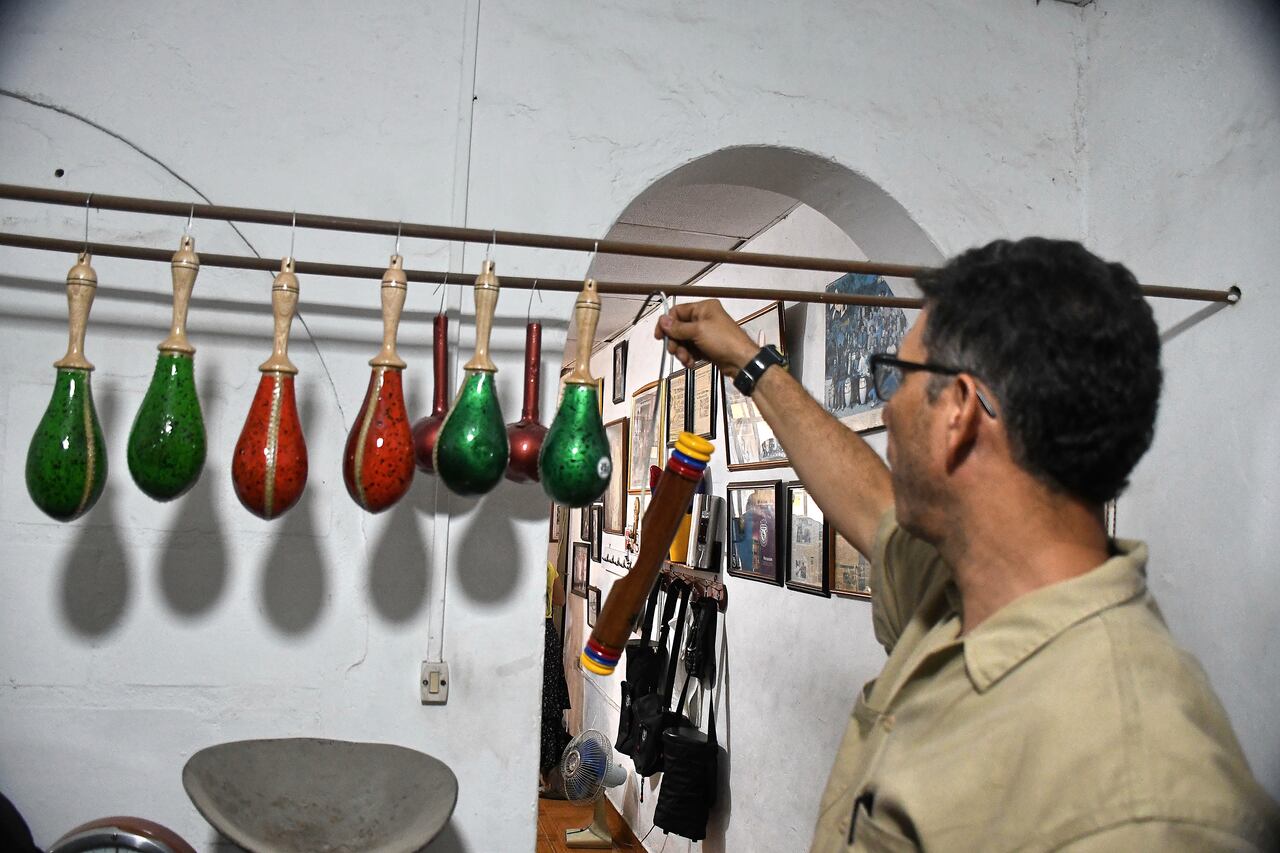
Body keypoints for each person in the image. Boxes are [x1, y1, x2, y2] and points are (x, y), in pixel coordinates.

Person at [654, 238, 1279, 851]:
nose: (888, 408)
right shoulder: (966, 591)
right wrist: (748, 362)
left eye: (896, 377)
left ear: (957, 409)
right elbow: (873, 508)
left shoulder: (1141, 803)